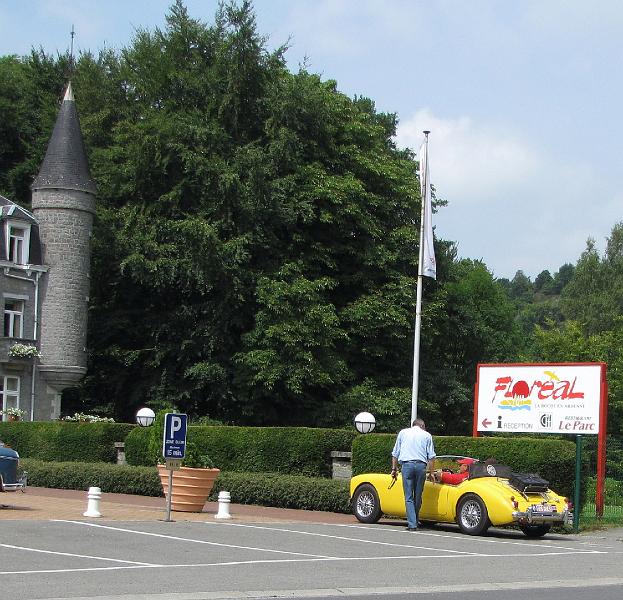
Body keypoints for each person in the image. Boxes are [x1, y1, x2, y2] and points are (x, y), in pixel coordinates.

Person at [391, 417, 436, 531]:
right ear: (421, 425)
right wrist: (431, 472)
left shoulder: (403, 433)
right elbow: (431, 457)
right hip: (421, 466)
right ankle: (414, 521)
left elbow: (395, 453)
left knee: (408, 496)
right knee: (418, 495)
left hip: (407, 465)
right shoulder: (427, 435)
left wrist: (394, 469)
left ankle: (412, 523)